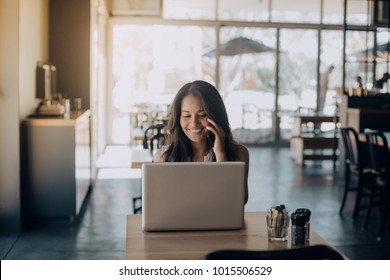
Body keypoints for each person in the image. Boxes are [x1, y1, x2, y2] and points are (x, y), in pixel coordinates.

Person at [153, 80, 250, 204]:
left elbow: (238, 201)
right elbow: (158, 204)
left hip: (220, 223)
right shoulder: (163, 157)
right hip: (176, 223)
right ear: (178, 119)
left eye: (202, 115)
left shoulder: (239, 154)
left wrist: (220, 155)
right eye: (187, 116)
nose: (194, 124)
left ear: (216, 116)